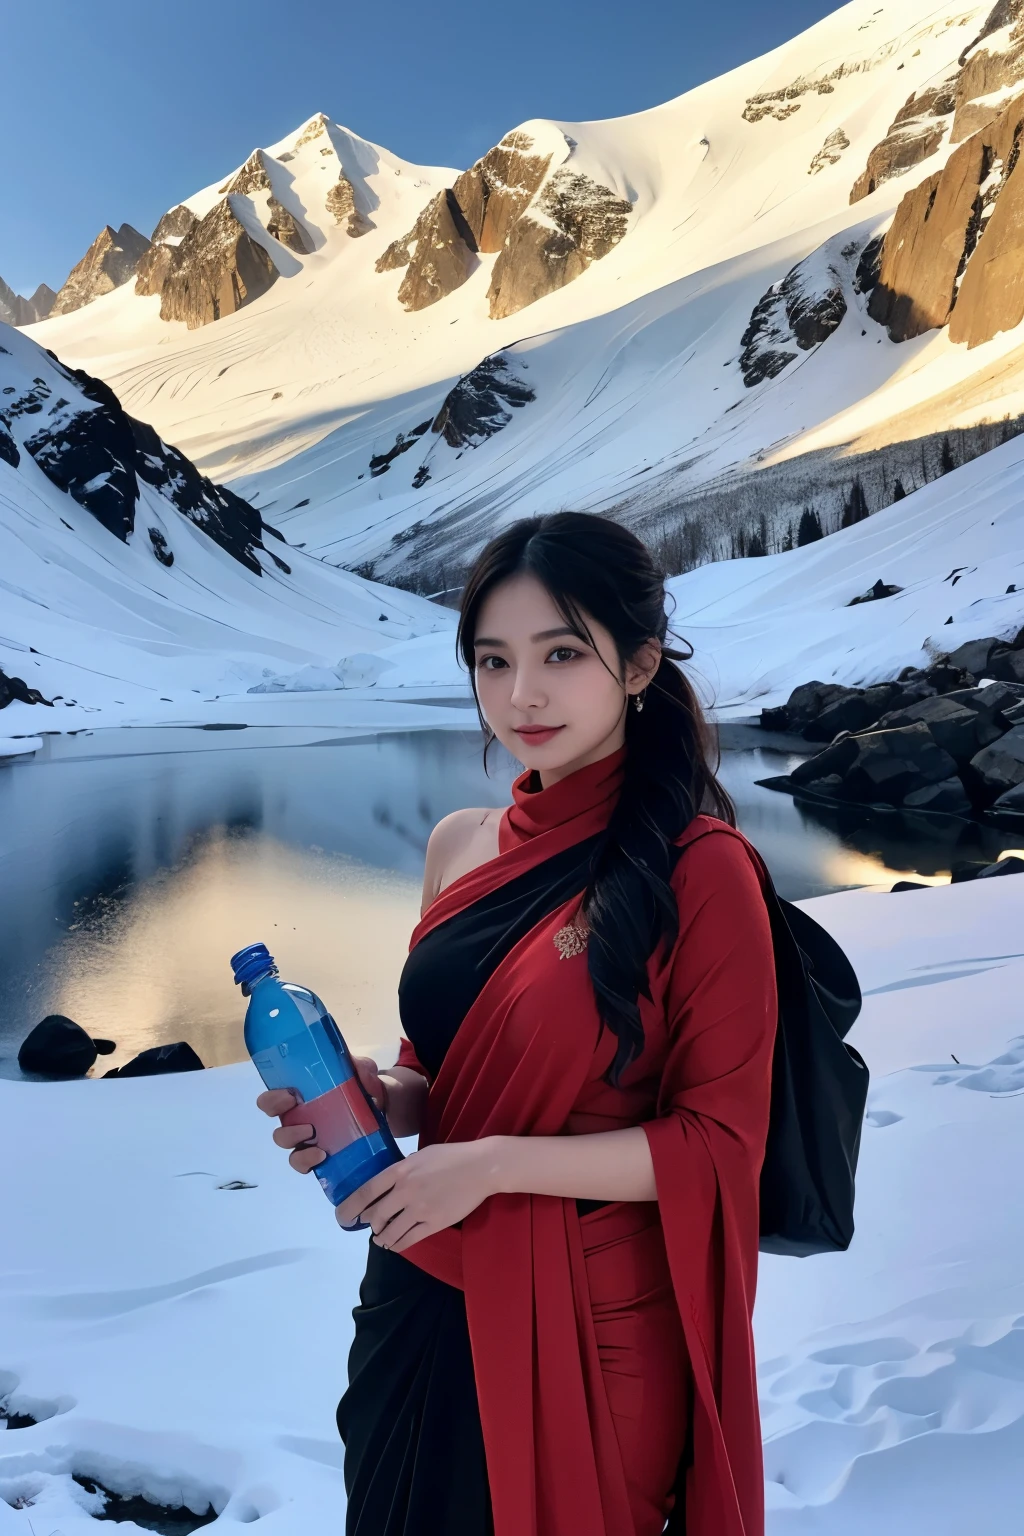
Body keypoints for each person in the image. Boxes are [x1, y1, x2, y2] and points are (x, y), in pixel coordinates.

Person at [257, 512, 777, 1536]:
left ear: (635, 664)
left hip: (589, 1321)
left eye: (561, 654)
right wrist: (381, 1097)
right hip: (417, 1280)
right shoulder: (459, 843)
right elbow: (438, 1071)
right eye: (492, 661)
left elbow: (719, 1146)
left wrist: (491, 1166)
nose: (521, 696)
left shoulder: (699, 868)